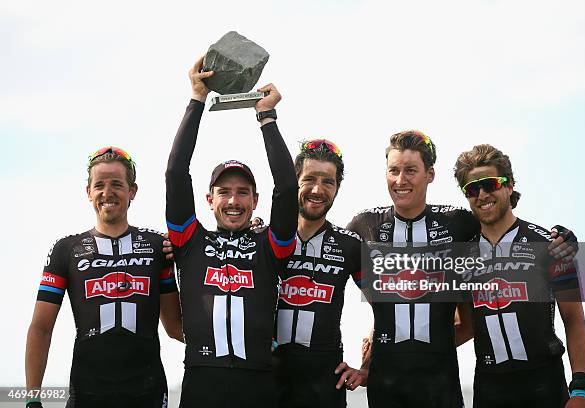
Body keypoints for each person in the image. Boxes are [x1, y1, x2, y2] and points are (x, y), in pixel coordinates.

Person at [346, 130, 576, 408]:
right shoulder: (364, 226)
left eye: (410, 170)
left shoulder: (458, 223)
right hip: (386, 386)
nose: (400, 179)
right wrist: (370, 357)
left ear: (430, 174)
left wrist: (562, 237)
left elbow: (501, 220)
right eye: (393, 170)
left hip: (443, 385)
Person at [165, 56, 298, 408]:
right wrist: (196, 99)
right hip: (200, 386)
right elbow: (176, 173)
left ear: (256, 200)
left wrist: (267, 118)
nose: (234, 201)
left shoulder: (271, 246)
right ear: (210, 200)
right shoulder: (189, 242)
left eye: (243, 193)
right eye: (224, 192)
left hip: (259, 388)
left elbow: (287, 187)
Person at [26, 146, 182, 408]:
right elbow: (41, 328)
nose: (107, 193)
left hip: (148, 392)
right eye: (99, 185)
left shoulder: (159, 246)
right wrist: (32, 398)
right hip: (87, 392)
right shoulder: (66, 249)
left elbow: (175, 326)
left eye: (117, 184)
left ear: (132, 191)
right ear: (88, 192)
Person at [453, 144, 585, 408]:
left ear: (509, 185)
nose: (482, 194)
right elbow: (463, 325)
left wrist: (581, 390)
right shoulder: (461, 255)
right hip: (489, 388)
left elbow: (574, 321)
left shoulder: (550, 246)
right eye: (472, 189)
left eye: (490, 184)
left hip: (545, 384)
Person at [272, 139, 365, 408]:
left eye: (328, 181)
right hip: (268, 382)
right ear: (294, 182)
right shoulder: (263, 238)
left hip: (324, 384)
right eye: (309, 179)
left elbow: (387, 308)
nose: (318, 189)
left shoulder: (350, 245)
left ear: (337, 188)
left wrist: (369, 366)